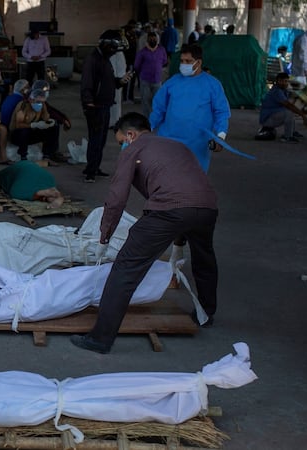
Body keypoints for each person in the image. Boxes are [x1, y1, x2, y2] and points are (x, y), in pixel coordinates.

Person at [70, 112, 219, 354]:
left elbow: (117, 197)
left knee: (125, 269)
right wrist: (180, 236)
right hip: (207, 206)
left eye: (121, 142)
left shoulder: (134, 149)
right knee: (205, 259)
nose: (122, 147)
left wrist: (104, 235)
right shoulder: (176, 146)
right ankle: (206, 313)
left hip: (169, 210)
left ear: (131, 135)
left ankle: (100, 338)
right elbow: (185, 183)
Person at [149, 44, 230, 172]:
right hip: (168, 140)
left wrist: (221, 136)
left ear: (199, 62)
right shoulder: (173, 82)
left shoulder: (212, 84)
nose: (184, 64)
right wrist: (147, 127)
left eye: (188, 61)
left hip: (197, 144)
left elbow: (221, 112)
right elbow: (159, 109)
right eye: (181, 61)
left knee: (193, 183)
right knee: (166, 180)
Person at [81, 30, 133, 183]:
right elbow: (87, 84)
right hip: (96, 106)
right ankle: (90, 171)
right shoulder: (93, 59)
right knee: (95, 139)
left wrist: (120, 82)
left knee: (101, 139)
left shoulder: (104, 59)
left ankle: (95, 167)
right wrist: (89, 104)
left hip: (105, 104)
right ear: (107, 46)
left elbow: (107, 81)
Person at [9, 88, 68, 164]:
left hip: (31, 133)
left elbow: (46, 117)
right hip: (17, 135)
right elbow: (18, 125)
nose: (39, 104)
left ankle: (48, 155)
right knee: (24, 131)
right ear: (31, 100)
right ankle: (23, 157)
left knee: (54, 126)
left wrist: (49, 122)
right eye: (38, 102)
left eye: (42, 102)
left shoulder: (42, 105)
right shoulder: (23, 106)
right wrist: (34, 125)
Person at [257, 72, 307, 143]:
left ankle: (291, 132)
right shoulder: (277, 91)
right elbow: (288, 105)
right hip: (267, 119)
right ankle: (287, 137)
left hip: (271, 116)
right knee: (289, 112)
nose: (284, 83)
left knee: (290, 110)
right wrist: (303, 115)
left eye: (286, 81)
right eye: (281, 81)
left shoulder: (283, 90)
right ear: (277, 81)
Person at [0, 160, 64, 208]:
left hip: (24, 171)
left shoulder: (17, 178)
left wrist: (38, 194)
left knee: (17, 191)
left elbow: (14, 192)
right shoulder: (49, 178)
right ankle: (47, 195)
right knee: (47, 185)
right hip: (35, 173)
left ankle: (40, 193)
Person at [134, 31, 168, 118]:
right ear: (147, 40)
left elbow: (164, 61)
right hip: (145, 79)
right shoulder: (142, 52)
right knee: (146, 100)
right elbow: (136, 65)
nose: (153, 40)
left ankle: (156, 117)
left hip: (157, 79)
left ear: (157, 40)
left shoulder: (161, 50)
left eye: (154, 39)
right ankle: (147, 118)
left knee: (157, 100)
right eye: (151, 39)